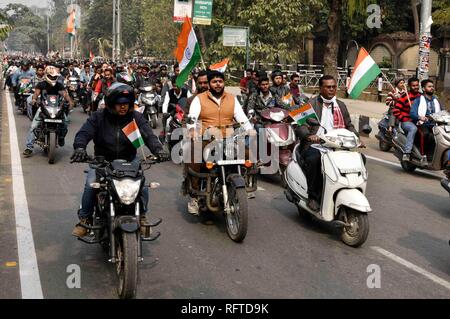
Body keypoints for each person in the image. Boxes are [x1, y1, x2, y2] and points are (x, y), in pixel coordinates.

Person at [70, 83, 170, 237]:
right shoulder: (98, 117)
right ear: (111, 104)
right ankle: (85, 219)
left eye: (126, 104)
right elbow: (83, 133)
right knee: (91, 186)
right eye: (119, 104)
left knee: (142, 186)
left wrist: (159, 150)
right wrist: (80, 148)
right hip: (103, 162)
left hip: (129, 162)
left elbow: (149, 135)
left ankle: (142, 216)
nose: (123, 107)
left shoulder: (135, 118)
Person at [184, 71, 254, 215]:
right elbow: (191, 118)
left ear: (224, 83)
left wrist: (250, 130)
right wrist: (192, 130)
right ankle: (195, 196)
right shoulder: (199, 99)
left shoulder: (232, 99)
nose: (218, 84)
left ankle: (243, 184)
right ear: (209, 84)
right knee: (193, 156)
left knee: (249, 154)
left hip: (229, 138)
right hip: (206, 138)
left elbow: (241, 117)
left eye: (220, 81)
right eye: (214, 82)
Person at [295, 75, 362, 212]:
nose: (331, 90)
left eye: (333, 87)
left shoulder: (341, 105)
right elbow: (299, 124)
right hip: (316, 145)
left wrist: (357, 138)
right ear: (320, 88)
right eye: (328, 87)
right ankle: (313, 196)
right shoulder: (310, 104)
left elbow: (349, 125)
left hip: (338, 145)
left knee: (360, 160)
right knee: (314, 160)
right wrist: (309, 135)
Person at [23, 66, 74, 157]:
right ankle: (29, 147)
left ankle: (61, 137)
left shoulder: (59, 85)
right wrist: (34, 100)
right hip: (43, 108)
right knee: (33, 126)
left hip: (57, 108)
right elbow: (36, 94)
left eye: (55, 77)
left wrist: (70, 102)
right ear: (47, 75)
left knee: (65, 123)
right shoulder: (41, 84)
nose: (53, 78)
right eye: (51, 77)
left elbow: (65, 94)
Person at [410, 79, 445, 155]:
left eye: (432, 86)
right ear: (423, 88)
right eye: (429, 86)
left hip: (435, 124)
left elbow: (443, 111)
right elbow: (412, 113)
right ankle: (423, 154)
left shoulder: (437, 100)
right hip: (423, 124)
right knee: (425, 134)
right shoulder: (418, 100)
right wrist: (420, 117)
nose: (432, 88)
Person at [393, 77, 421, 161]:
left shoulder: (421, 96)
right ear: (409, 86)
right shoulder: (405, 97)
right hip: (407, 122)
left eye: (417, 85)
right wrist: (404, 119)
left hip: (419, 121)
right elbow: (396, 111)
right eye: (413, 85)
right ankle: (407, 153)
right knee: (413, 128)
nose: (416, 87)